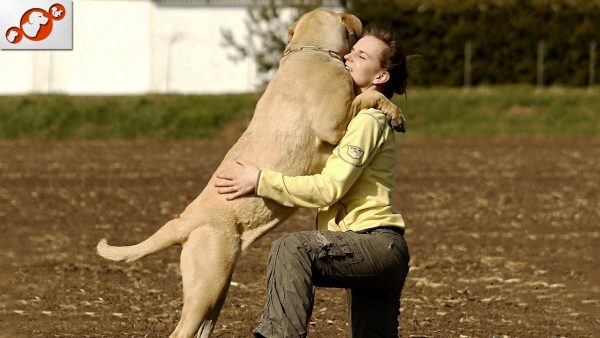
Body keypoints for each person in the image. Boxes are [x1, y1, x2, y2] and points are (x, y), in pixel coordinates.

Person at [214, 26, 410, 338]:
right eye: (351, 50)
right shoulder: (353, 118)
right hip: (376, 249)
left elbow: (329, 189)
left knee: (291, 248)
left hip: (374, 243)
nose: (347, 56)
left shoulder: (368, 121)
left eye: (361, 55)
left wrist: (260, 180)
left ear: (380, 77)